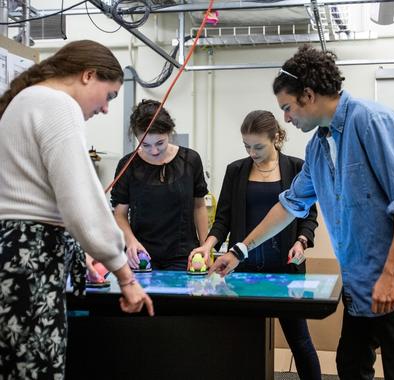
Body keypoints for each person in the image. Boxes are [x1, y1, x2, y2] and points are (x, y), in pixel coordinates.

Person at [209, 45, 394, 380]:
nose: (286, 118)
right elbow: (290, 205)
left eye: (287, 108)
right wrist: (239, 250)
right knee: (351, 364)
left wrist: (391, 275)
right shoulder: (317, 147)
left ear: (309, 95)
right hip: (361, 280)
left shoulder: (373, 122)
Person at [0, 40, 154, 379]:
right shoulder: (57, 105)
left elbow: (39, 197)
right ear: (88, 75)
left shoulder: (23, 102)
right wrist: (124, 275)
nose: (105, 109)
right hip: (30, 259)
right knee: (37, 371)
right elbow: (81, 200)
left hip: (13, 254)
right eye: (109, 95)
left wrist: (79, 253)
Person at [190, 109, 321, 379]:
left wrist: (301, 240)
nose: (252, 152)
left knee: (299, 340)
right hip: (243, 268)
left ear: (276, 138)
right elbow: (223, 218)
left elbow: (308, 215)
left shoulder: (297, 167)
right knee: (241, 341)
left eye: (258, 146)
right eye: (247, 146)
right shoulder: (236, 171)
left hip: (286, 269)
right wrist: (208, 244)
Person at [111, 99, 209, 271]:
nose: (154, 151)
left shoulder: (191, 160)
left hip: (184, 256)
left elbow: (199, 206)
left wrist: (205, 247)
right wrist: (130, 241)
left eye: (160, 143)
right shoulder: (128, 165)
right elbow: (120, 214)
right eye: (145, 145)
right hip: (141, 256)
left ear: (169, 133)